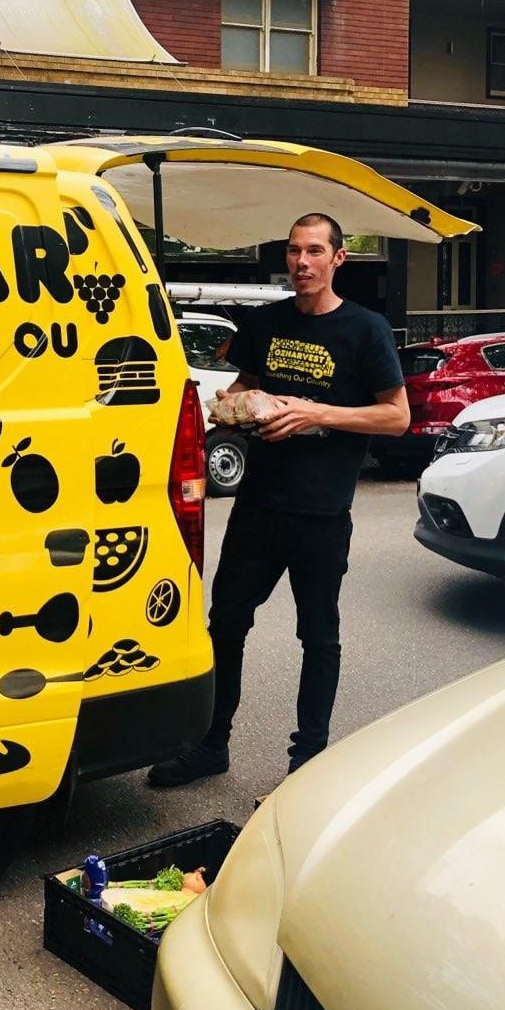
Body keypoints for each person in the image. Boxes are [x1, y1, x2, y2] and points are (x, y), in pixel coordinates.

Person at [148, 212, 408, 787]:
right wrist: (234, 404)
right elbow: (244, 387)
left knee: (318, 637)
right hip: (258, 505)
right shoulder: (265, 322)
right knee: (225, 625)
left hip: (321, 513)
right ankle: (211, 744)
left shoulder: (366, 329)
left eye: (315, 251)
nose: (302, 262)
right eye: (294, 251)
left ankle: (305, 763)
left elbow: (396, 416)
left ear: (338, 258)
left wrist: (316, 412)